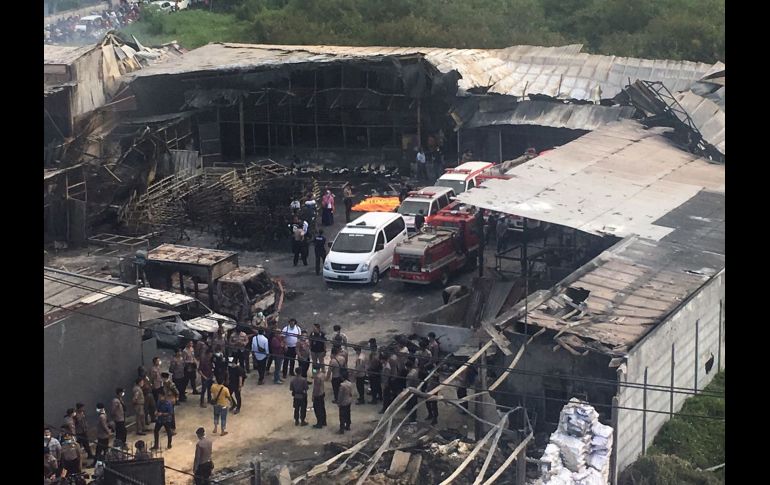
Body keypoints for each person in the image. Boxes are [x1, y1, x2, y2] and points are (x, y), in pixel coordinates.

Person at [336, 370, 353, 434]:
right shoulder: (350, 383)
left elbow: (340, 395)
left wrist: (338, 402)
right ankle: (348, 425)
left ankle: (341, 429)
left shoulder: (342, 385)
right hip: (348, 400)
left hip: (343, 402)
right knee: (348, 414)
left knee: (342, 416)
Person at [311, 364, 327, 428]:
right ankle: (324, 421)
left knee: (317, 409)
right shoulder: (322, 374)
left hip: (318, 394)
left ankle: (319, 423)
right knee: (322, 408)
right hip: (322, 392)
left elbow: (316, 388)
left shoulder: (317, 377)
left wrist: (313, 395)